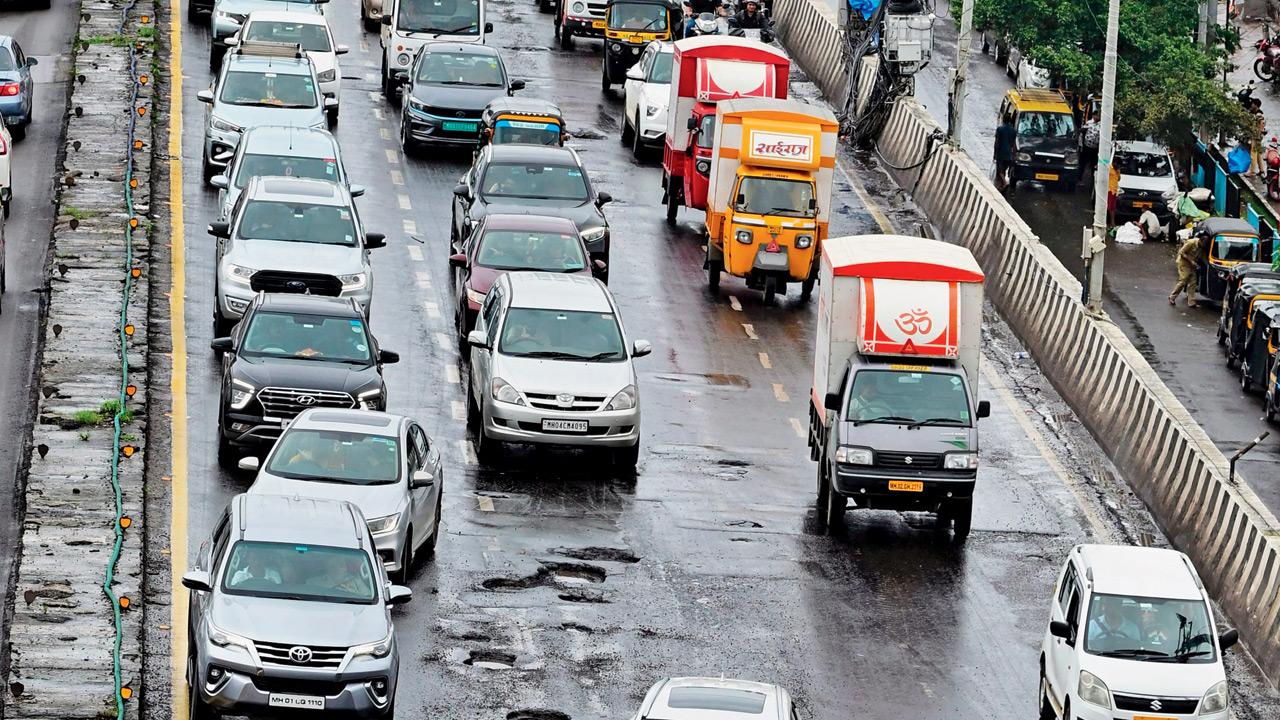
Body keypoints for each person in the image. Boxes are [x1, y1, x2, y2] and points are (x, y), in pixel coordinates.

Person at [1169, 231, 1203, 307]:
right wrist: (1191, 261)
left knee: (1193, 283)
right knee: (1183, 281)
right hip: (1184, 264)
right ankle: (1172, 297)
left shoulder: (1201, 247)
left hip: (1192, 265)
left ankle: (1191, 302)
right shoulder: (1191, 243)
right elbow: (1181, 252)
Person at [993, 113, 1016, 193]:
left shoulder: (1000, 129)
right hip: (1009, 153)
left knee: (1000, 169)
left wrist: (995, 154)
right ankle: (1003, 184)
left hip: (1001, 152)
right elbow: (1014, 144)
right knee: (1005, 168)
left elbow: (997, 142)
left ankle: (1004, 182)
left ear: (1003, 119)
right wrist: (1013, 155)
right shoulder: (1013, 130)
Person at [1106, 163, 1119, 228]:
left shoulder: (1117, 170)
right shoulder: (1109, 169)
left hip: (1114, 191)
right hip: (1110, 190)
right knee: (1109, 207)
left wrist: (1117, 172)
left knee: (1113, 208)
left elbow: (1118, 179)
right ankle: (1110, 222)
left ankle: (1112, 223)